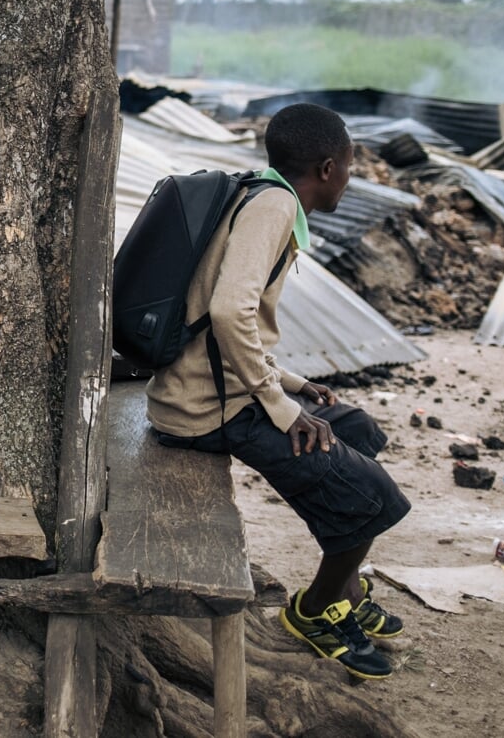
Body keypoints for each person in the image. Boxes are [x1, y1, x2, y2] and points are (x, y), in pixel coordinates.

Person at [149, 102, 410, 680]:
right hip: (207, 410)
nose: (350, 176)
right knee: (373, 500)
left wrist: (293, 384)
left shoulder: (262, 194)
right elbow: (225, 311)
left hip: (220, 392)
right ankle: (313, 613)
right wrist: (281, 405)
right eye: (349, 165)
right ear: (325, 167)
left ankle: (345, 590)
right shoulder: (274, 206)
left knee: (357, 429)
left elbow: (230, 320)